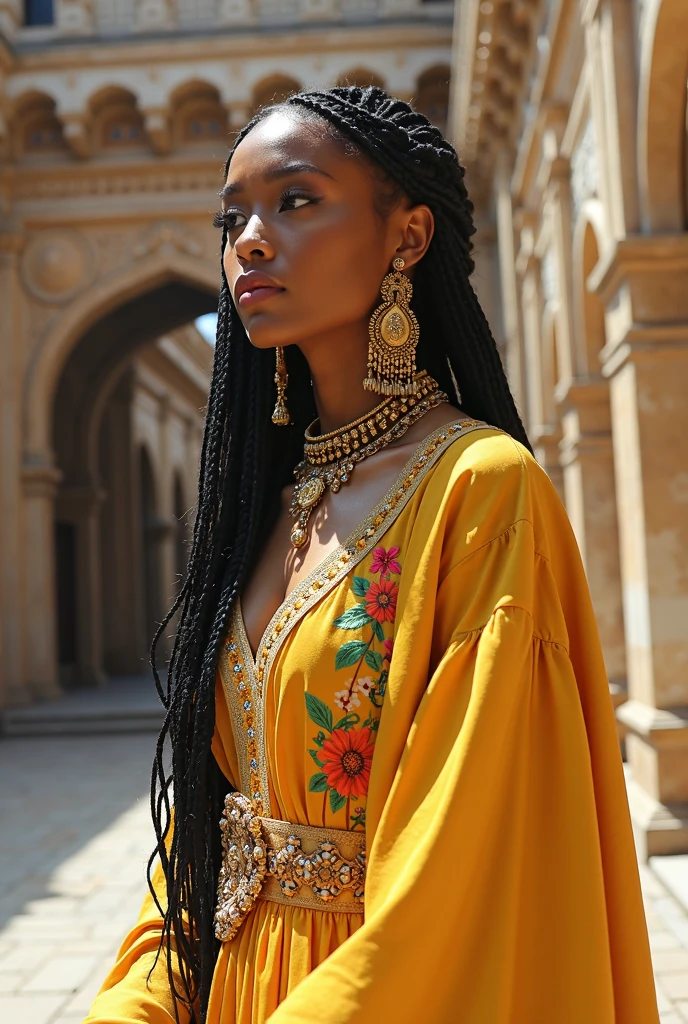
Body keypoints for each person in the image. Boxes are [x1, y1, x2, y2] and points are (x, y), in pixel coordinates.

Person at [85, 86, 659, 1024]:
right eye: (234, 219)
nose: (251, 241)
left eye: (296, 201)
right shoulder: (261, 513)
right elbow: (213, 831)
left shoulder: (480, 490)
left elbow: (458, 869)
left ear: (409, 235)